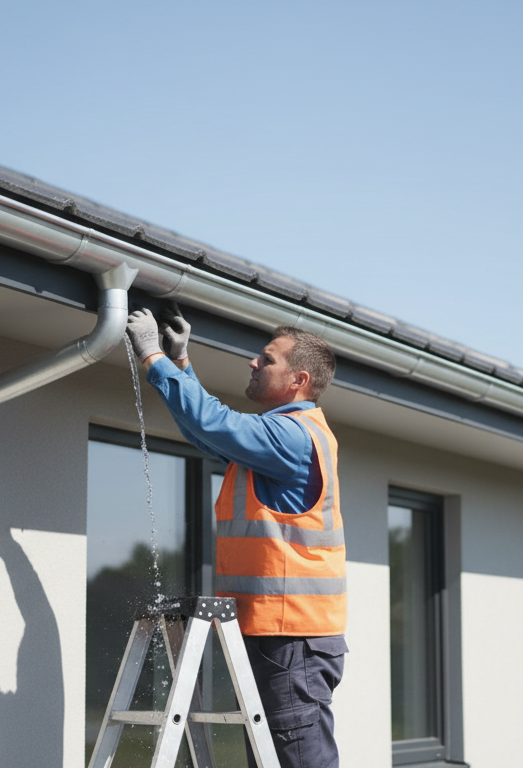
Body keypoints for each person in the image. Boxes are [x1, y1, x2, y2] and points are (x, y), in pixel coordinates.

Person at [126, 303, 347, 768]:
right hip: (280, 635)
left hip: (291, 639)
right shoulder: (283, 435)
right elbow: (209, 435)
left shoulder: (291, 436)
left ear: (298, 381)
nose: (253, 362)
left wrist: (154, 357)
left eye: (267, 359)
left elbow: (216, 424)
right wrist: (181, 364)